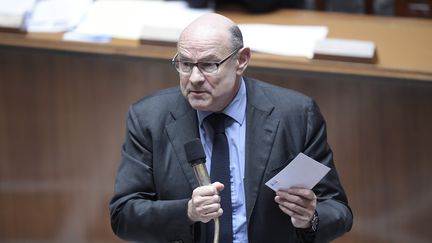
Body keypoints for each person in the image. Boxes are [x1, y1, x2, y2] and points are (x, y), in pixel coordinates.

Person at [109, 13, 353, 243]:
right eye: (185, 63)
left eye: (209, 65)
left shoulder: (297, 115)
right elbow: (124, 216)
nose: (194, 78)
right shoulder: (149, 118)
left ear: (241, 60)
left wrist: (310, 219)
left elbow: (338, 210)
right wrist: (187, 211)